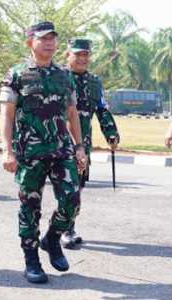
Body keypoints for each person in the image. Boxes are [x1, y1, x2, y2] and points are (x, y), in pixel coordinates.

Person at [0, 21, 86, 284]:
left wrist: (80, 146)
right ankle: (31, 260)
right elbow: (7, 115)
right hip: (29, 153)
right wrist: (7, 150)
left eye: (52, 38)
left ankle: (52, 238)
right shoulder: (16, 74)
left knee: (72, 200)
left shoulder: (64, 75)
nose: (49, 42)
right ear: (30, 42)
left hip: (61, 150)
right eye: (43, 38)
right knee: (30, 207)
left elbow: (72, 113)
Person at [61, 38, 120, 249]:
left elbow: (102, 109)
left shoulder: (94, 82)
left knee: (76, 188)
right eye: (77, 54)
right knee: (66, 189)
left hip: (82, 146)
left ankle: (67, 227)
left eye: (85, 55)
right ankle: (58, 229)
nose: (82, 59)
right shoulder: (58, 77)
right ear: (68, 54)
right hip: (56, 143)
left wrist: (111, 133)